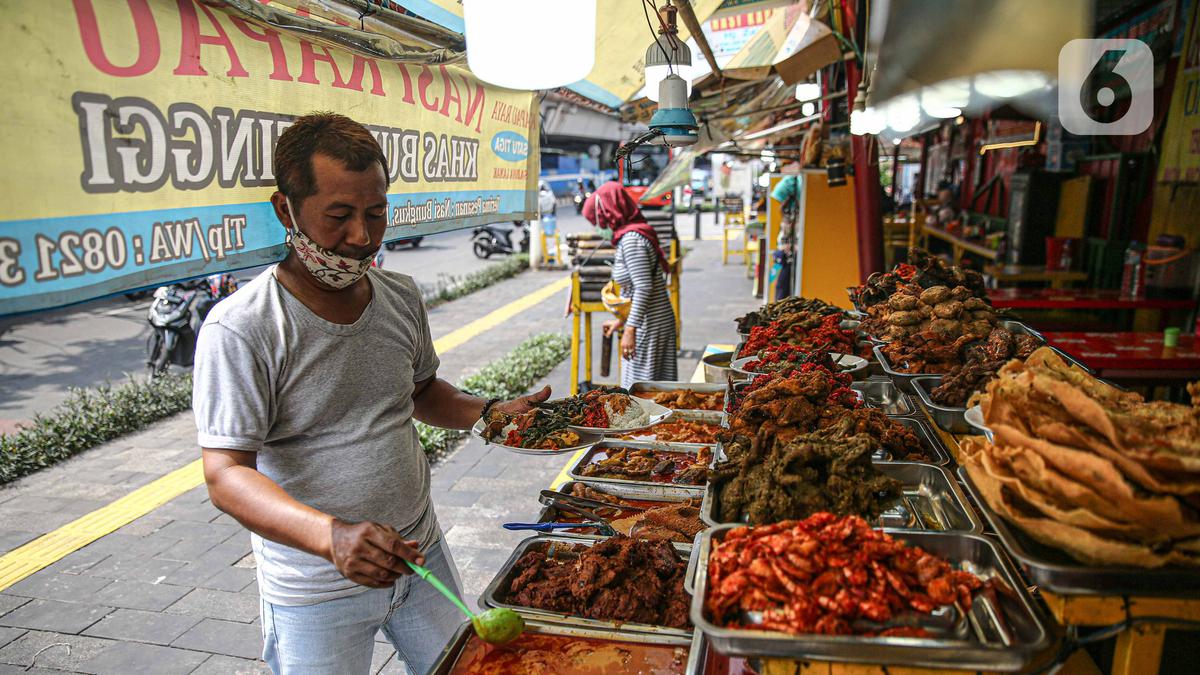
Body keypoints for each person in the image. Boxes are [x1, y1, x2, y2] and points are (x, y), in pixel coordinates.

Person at [192, 112, 550, 675]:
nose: (362, 236)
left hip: (420, 555)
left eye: (376, 213)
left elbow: (422, 393)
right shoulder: (243, 327)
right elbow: (225, 474)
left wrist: (490, 413)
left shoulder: (400, 296)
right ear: (285, 209)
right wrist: (329, 536)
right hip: (314, 587)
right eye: (339, 216)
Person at [583, 181, 678, 387]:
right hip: (650, 321)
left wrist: (630, 329)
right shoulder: (631, 236)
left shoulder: (632, 240)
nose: (598, 228)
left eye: (597, 221)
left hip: (650, 326)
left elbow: (643, 287)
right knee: (654, 390)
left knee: (642, 392)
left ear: (608, 213)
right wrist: (622, 322)